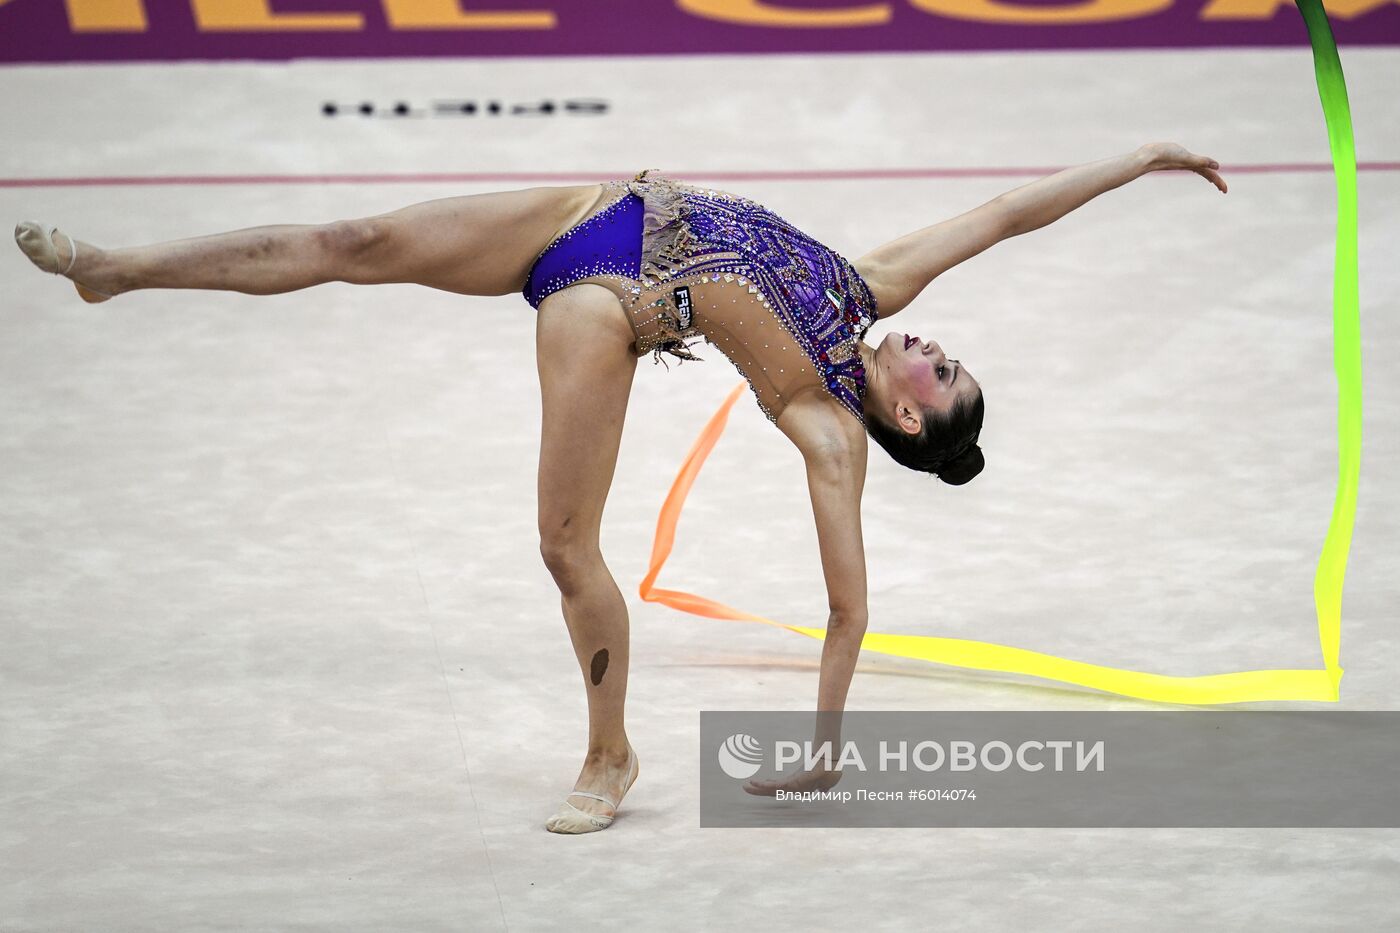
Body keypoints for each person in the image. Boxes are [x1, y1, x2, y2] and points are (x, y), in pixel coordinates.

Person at [14, 142, 1227, 832]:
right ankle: (119, 272)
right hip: (595, 206)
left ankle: (609, 759)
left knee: (561, 543)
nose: (934, 345)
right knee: (358, 243)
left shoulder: (827, 427)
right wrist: (1146, 159)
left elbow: (849, 606)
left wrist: (822, 752)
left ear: (907, 412)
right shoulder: (871, 287)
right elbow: (1011, 213)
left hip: (608, 308)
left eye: (940, 372)